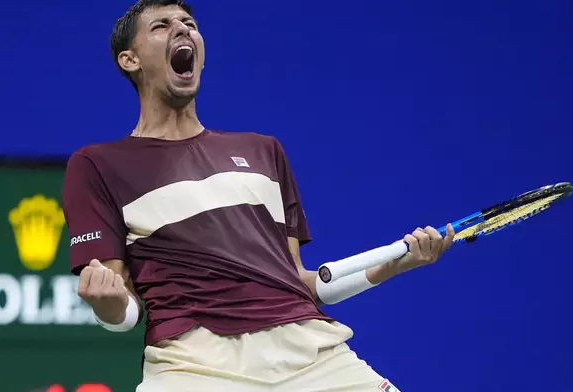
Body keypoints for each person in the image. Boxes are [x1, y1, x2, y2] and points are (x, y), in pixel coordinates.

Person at [62, 1, 456, 391]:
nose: (183, 30)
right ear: (129, 60)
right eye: (161, 26)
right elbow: (124, 309)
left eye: (189, 23)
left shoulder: (264, 151)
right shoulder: (98, 164)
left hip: (311, 354)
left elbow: (301, 283)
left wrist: (397, 264)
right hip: (195, 368)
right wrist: (106, 302)